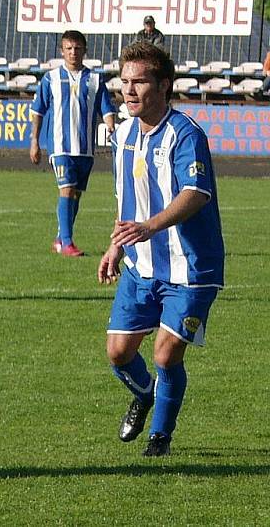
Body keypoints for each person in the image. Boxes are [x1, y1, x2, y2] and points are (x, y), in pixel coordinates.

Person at [99, 42, 224, 457]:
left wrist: (150, 227)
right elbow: (125, 198)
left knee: (166, 353)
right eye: (124, 82)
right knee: (118, 353)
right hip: (140, 265)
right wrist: (116, 246)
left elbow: (196, 193)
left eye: (139, 82)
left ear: (163, 85)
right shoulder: (122, 136)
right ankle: (146, 393)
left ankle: (160, 437)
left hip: (190, 269)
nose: (129, 91)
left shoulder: (185, 133)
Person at [30, 29, 116, 257]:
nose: (73, 53)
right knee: (66, 190)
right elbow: (38, 111)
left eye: (77, 48)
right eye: (68, 48)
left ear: (84, 51)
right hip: (59, 146)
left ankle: (60, 238)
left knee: (76, 194)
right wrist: (34, 141)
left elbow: (106, 107)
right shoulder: (51, 78)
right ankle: (67, 243)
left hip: (85, 148)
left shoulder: (95, 79)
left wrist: (111, 126)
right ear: (62, 51)